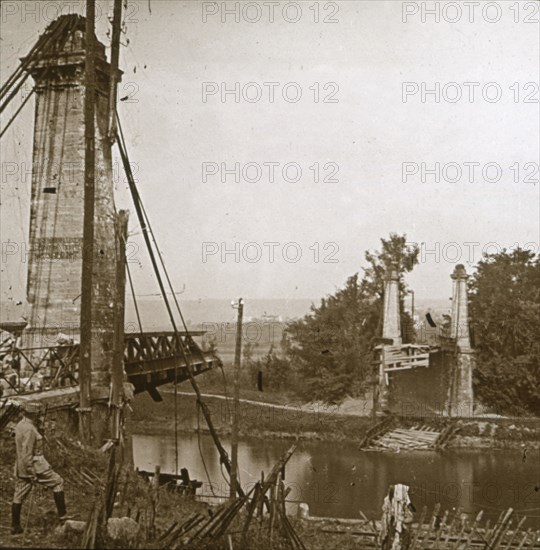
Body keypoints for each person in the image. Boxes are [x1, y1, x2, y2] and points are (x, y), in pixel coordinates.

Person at [11, 401, 70, 535]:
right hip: (35, 465)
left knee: (18, 494)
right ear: (33, 413)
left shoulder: (21, 425)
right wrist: (32, 473)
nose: (39, 415)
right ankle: (63, 517)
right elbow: (27, 453)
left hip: (20, 466)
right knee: (58, 482)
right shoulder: (30, 429)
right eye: (37, 413)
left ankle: (15, 526)